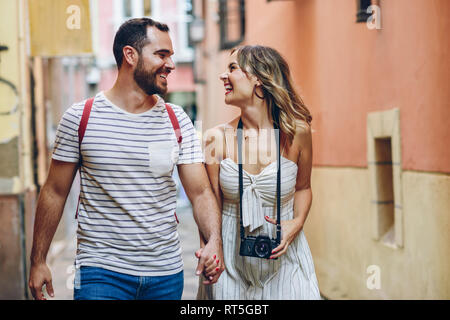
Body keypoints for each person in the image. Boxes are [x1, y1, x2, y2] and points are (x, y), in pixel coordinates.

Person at [28, 18, 224, 300]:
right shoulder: (80, 118)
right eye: (161, 55)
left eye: (171, 56)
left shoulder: (176, 120)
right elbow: (55, 191)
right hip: (100, 271)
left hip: (165, 274)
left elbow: (201, 192)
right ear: (130, 55)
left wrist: (214, 241)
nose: (171, 65)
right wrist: (39, 260)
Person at [196, 45, 321, 299]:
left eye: (232, 68)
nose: (223, 76)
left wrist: (296, 224)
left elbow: (303, 188)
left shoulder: (297, 133)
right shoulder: (215, 139)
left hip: (286, 260)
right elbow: (209, 206)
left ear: (259, 81)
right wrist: (209, 249)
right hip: (230, 263)